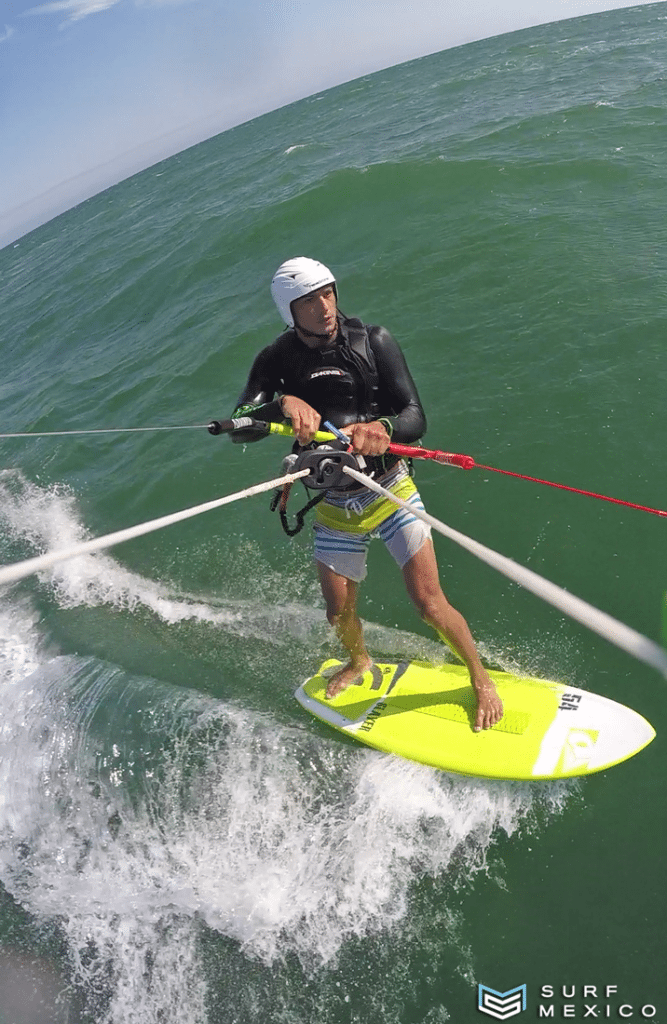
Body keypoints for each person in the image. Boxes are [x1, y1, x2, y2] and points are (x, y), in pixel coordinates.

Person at [231, 257, 503, 731]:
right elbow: (239, 425)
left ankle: (481, 679)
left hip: (388, 487)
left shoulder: (372, 341)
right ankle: (359, 661)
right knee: (338, 613)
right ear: (288, 310)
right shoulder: (275, 360)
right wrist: (283, 402)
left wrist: (381, 426)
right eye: (310, 300)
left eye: (328, 293)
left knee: (428, 603)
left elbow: (415, 416)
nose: (324, 306)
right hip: (335, 502)